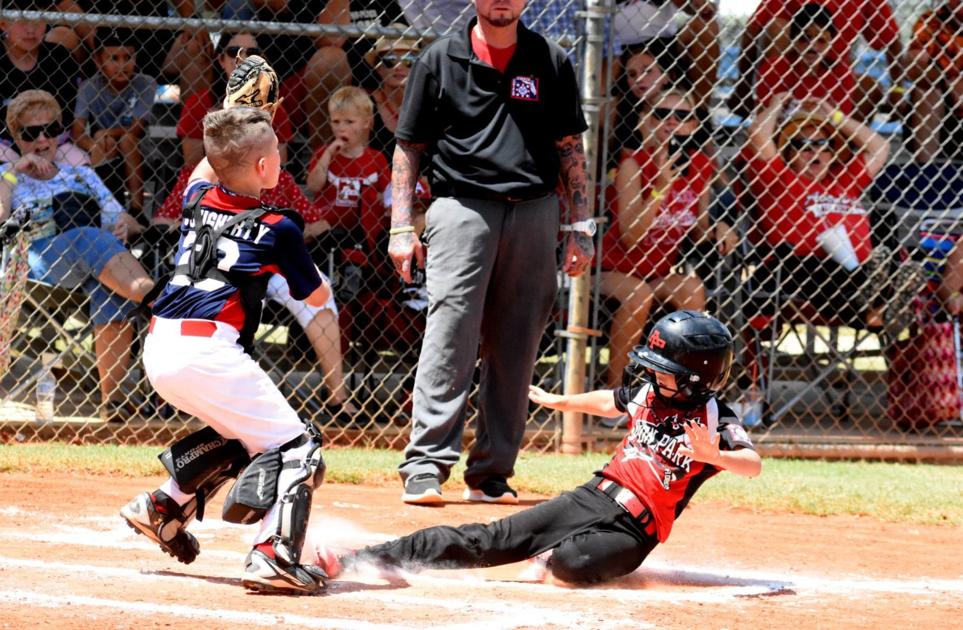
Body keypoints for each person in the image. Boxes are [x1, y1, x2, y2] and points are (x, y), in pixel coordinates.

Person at [342, 311, 761, 585]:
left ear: (696, 377)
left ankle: (550, 557)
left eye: (664, 371)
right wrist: (562, 402)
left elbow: (753, 465)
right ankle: (371, 558)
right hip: (592, 496)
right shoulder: (648, 394)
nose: (653, 376)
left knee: (572, 565)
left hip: (635, 529)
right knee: (491, 539)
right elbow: (608, 400)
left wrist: (716, 456)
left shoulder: (714, 418)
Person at [387, 0, 595, 505]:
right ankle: (425, 465)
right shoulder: (440, 58)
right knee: (450, 333)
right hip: (461, 207)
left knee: (517, 341)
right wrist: (400, 226)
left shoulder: (551, 58)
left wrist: (582, 224)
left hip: (535, 209)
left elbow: (569, 144)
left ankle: (492, 471)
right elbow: (409, 146)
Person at [119, 106, 332, 595]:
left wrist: (234, 116)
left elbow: (206, 166)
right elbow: (316, 298)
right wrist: (287, 259)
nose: (280, 160)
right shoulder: (279, 226)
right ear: (262, 168)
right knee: (299, 447)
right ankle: (271, 555)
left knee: (247, 437)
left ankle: (165, 505)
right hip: (209, 353)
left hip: (160, 345)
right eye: (275, 154)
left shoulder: (196, 199)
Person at [0, 89, 154, 421]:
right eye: (31, 133)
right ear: (16, 137)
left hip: (92, 265)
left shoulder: (81, 174)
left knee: (109, 287)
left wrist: (125, 227)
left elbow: (121, 217)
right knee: (88, 236)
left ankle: (111, 401)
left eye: (51, 130)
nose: (43, 140)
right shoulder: (7, 177)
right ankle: (163, 302)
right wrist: (15, 171)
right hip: (38, 264)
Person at [744, 93, 923, 336]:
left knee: (886, 227)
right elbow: (758, 134)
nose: (813, 152)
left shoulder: (844, 180)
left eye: (822, 145)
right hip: (806, 272)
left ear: (832, 152)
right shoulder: (779, 177)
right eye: (802, 145)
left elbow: (880, 146)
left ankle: (878, 300)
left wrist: (835, 116)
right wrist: (776, 104)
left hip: (864, 267)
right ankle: (875, 309)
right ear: (788, 151)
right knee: (815, 265)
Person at [602, 89, 737, 392]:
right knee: (637, 294)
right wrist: (661, 188)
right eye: (662, 114)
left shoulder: (700, 165)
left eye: (682, 116)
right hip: (611, 268)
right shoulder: (632, 164)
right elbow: (631, 237)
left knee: (691, 288)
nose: (672, 122)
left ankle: (686, 391)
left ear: (694, 125)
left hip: (657, 272)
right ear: (644, 120)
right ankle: (616, 395)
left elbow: (699, 229)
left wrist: (720, 228)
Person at [728, 0, 905, 122]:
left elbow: (892, 40)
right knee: (777, 26)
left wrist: (898, 89)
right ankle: (776, 131)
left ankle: (840, 153)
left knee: (870, 87)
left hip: (835, 78)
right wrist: (742, 86)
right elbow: (755, 28)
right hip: (791, 77)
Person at [176, 31, 295, 168]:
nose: (242, 58)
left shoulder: (273, 107)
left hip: (259, 183)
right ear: (221, 60)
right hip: (211, 180)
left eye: (252, 53)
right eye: (233, 52)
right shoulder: (198, 103)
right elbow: (192, 164)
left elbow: (278, 166)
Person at [72, 28, 156, 220]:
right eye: (113, 58)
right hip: (104, 147)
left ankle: (136, 211)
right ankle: (111, 209)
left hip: (140, 149)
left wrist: (104, 134)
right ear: (98, 61)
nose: (122, 65)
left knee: (126, 139)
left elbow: (137, 128)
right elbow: (77, 132)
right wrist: (96, 144)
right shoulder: (88, 87)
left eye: (128, 57)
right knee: (105, 141)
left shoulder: (145, 83)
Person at [306, 86, 391, 276]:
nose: (341, 127)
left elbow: (386, 195)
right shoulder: (323, 154)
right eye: (336, 121)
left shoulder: (376, 158)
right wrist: (328, 154)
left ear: (366, 123)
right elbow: (313, 185)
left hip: (362, 230)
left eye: (349, 122)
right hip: (328, 228)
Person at [0, 0, 85, 165]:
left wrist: (45, 140)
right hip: (5, 142)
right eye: (22, 22)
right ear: (3, 24)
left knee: (80, 164)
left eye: (37, 20)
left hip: (53, 142)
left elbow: (69, 112)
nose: (31, 30)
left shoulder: (60, 57)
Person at [612, 0, 720, 114]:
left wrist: (696, 3)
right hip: (614, 46)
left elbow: (702, 10)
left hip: (663, 42)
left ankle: (698, 115)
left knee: (705, 26)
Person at [754, 4, 858, 116]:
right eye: (804, 38)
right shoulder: (774, 68)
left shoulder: (841, 73)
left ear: (831, 43)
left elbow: (840, 122)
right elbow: (763, 119)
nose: (812, 46)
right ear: (793, 39)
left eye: (821, 40)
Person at [908, 1, 963, 161]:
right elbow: (913, 65)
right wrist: (948, 79)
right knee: (926, 89)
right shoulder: (932, 21)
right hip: (946, 109)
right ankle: (926, 170)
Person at [363, 23, 422, 157]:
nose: (399, 67)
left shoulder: (428, 104)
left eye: (408, 60)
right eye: (390, 60)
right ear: (378, 67)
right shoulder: (365, 106)